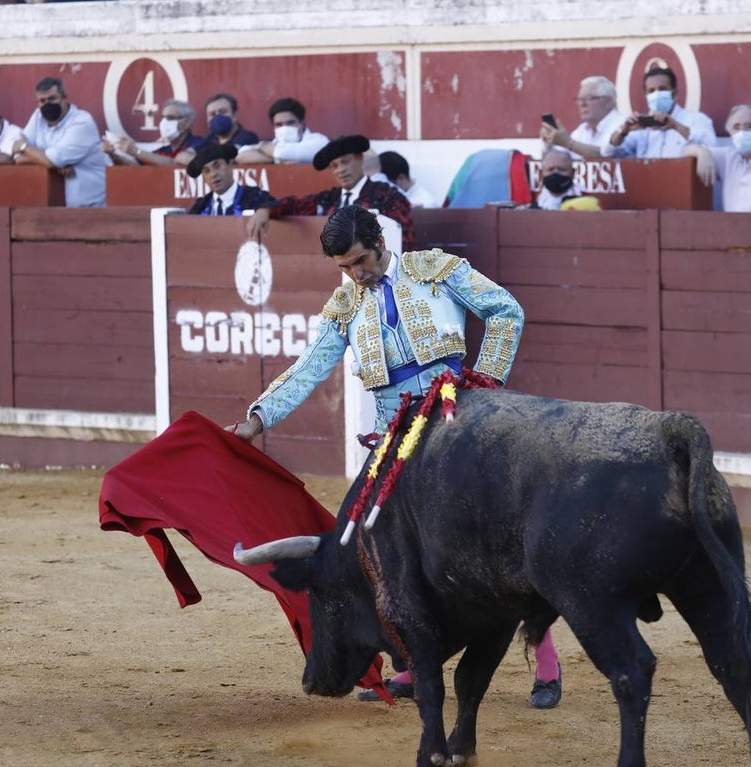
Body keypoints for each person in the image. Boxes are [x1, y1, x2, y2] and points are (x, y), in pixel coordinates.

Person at [228, 206, 563, 709]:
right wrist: (258, 418)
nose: (355, 274)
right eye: (343, 267)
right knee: (382, 545)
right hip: (396, 436)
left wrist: (484, 384)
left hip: (457, 422)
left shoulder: (435, 269)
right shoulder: (345, 304)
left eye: (359, 261)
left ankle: (546, 664)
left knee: (494, 545)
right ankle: (411, 662)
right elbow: (307, 368)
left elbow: (505, 310)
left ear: (380, 242)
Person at [247, 134, 415, 252]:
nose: (341, 170)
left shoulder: (388, 196)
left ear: (359, 159)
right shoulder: (330, 199)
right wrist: (266, 209)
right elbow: (296, 204)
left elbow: (406, 243)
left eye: (345, 162)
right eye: (334, 166)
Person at [12, 76, 109, 207]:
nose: (47, 104)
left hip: (92, 208)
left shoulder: (82, 121)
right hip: (55, 210)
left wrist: (25, 148)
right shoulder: (38, 116)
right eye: (42, 101)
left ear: (64, 98)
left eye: (52, 99)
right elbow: (16, 156)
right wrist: (52, 163)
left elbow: (43, 157)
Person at [604, 67, 716, 159]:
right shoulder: (641, 127)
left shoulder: (695, 119)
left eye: (662, 89)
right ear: (646, 95)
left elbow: (711, 146)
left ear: (674, 92)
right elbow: (607, 152)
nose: (657, 94)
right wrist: (623, 130)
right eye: (651, 91)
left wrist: (676, 126)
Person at [540, 75, 625, 160]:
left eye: (589, 98)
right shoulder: (581, 130)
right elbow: (559, 161)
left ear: (608, 102)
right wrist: (549, 144)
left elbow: (607, 156)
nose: (582, 104)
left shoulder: (624, 126)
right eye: (579, 99)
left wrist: (568, 143)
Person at [106, 99, 207, 167]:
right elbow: (136, 168)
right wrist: (113, 154)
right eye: (162, 118)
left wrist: (135, 151)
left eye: (170, 118)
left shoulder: (199, 144)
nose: (164, 122)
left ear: (187, 122)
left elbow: (176, 163)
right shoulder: (162, 151)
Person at [184, 143, 275, 215]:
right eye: (206, 171)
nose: (213, 174)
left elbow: (282, 206)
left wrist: (265, 210)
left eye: (217, 166)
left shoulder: (255, 197)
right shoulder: (200, 207)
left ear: (230, 165)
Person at [236, 96, 329, 165]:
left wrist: (261, 148)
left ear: (302, 124)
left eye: (290, 123)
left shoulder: (319, 141)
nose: (284, 128)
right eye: (279, 125)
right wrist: (275, 159)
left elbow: (286, 152)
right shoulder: (270, 145)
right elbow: (241, 156)